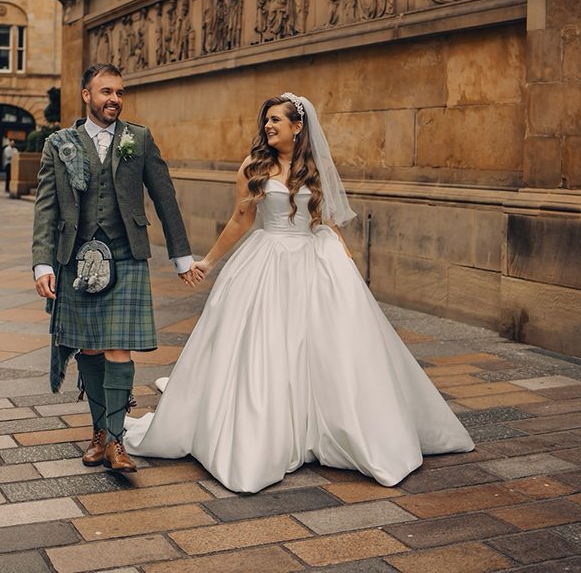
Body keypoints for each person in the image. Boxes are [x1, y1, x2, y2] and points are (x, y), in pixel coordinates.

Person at [124, 93, 474, 493]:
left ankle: (334, 428)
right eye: (266, 121)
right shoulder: (253, 167)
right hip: (266, 260)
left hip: (313, 261)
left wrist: (346, 264)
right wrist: (209, 261)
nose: (268, 126)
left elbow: (327, 220)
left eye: (276, 120)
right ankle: (268, 433)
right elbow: (242, 219)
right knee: (267, 346)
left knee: (329, 349)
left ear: (298, 125)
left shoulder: (318, 167)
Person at [32, 63, 196, 473]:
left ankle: (118, 440)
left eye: (119, 92)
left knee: (119, 347)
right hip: (77, 258)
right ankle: (99, 433)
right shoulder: (60, 143)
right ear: (86, 95)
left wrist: (182, 255)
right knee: (89, 347)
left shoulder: (138, 139)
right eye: (106, 91)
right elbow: (46, 207)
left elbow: (164, 196)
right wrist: (41, 263)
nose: (114, 99)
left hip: (126, 254)